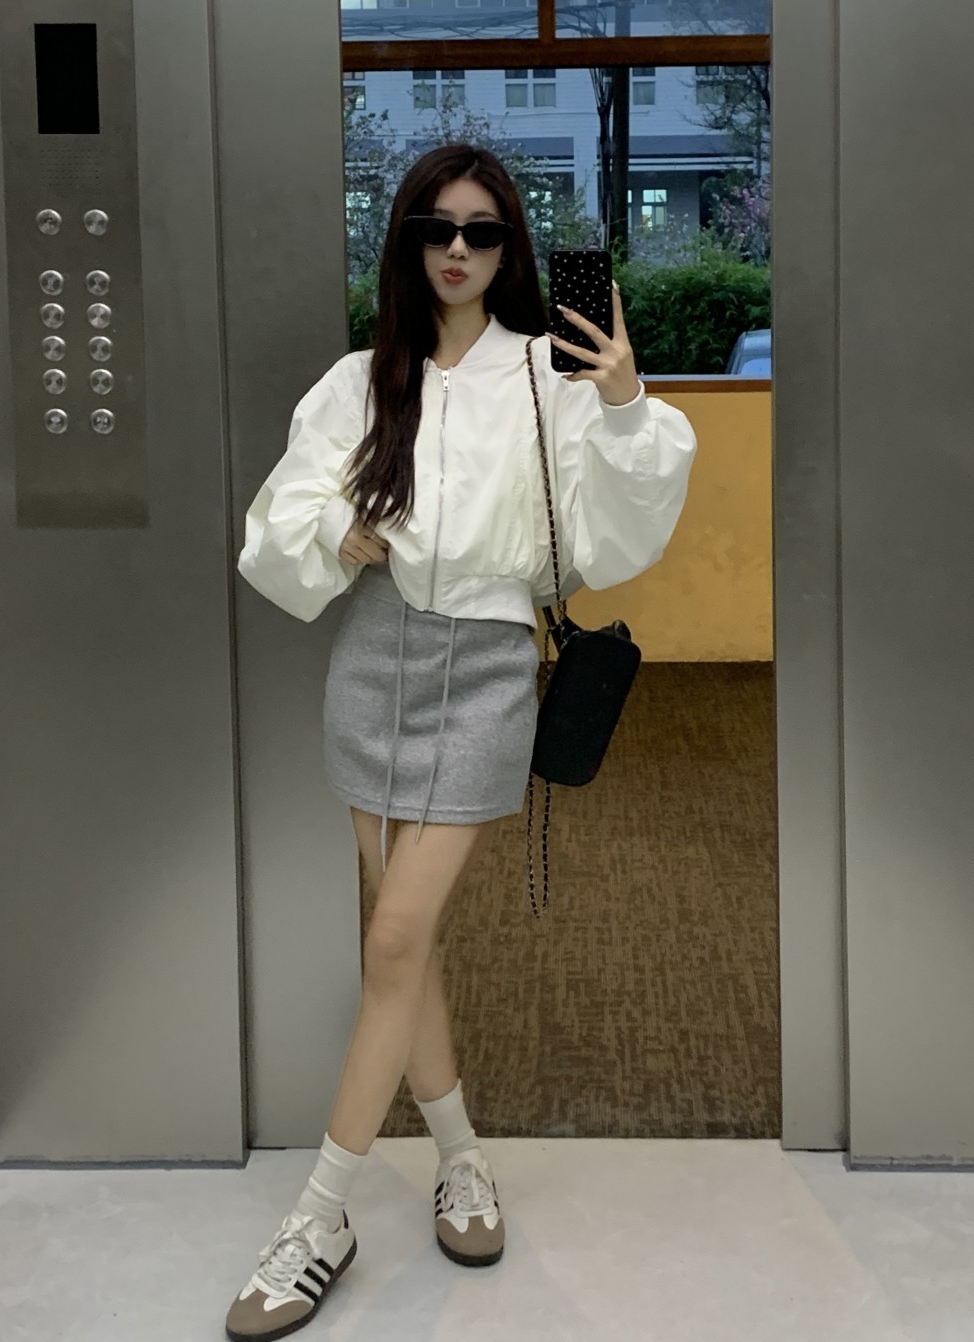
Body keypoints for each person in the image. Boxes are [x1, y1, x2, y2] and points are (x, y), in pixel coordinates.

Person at [225, 143, 697, 1340]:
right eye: (435, 227)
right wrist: (340, 533)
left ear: (508, 249)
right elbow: (281, 520)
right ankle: (461, 1156)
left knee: (392, 935)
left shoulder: (547, 373)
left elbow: (617, 527)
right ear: (407, 241)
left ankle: (319, 1216)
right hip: (373, 661)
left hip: (485, 665)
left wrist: (623, 397)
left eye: (481, 231)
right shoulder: (359, 380)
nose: (456, 250)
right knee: (407, 942)